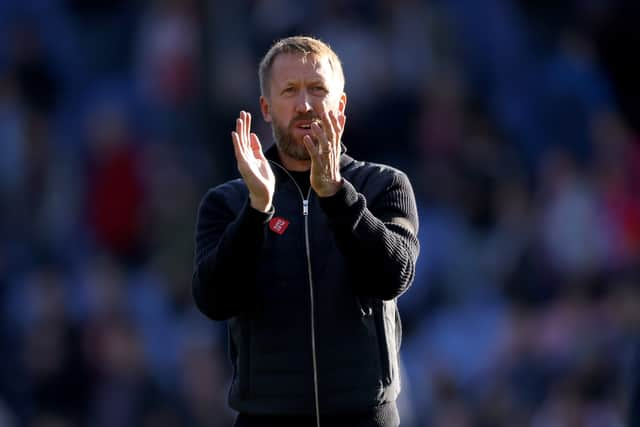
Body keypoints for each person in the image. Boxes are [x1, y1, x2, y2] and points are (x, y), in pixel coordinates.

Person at [192, 35, 419, 427]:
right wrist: (256, 211)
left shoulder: (384, 185)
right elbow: (214, 299)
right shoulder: (228, 202)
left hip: (364, 417)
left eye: (317, 89)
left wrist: (337, 197)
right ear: (266, 107)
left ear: (341, 106)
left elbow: (393, 277)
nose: (305, 105)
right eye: (290, 91)